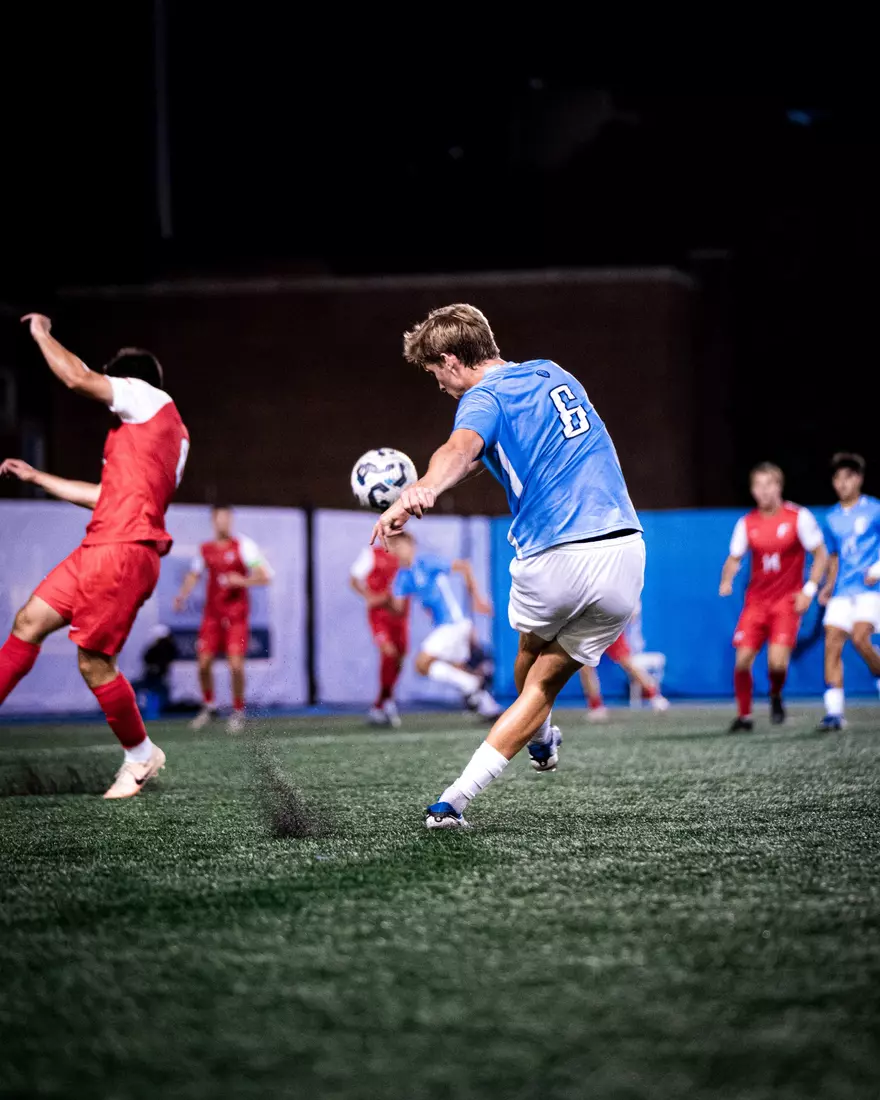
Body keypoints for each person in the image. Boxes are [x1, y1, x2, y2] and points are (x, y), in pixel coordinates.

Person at [371, 303, 644, 829]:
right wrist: (431, 482)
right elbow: (489, 455)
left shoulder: (481, 397)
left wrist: (423, 488)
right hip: (624, 554)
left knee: (532, 677)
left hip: (555, 555)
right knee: (543, 677)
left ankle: (465, 790)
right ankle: (522, 750)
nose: (440, 386)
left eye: (435, 374)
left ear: (451, 361)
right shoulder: (553, 372)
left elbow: (459, 448)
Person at [0, 314, 189, 799]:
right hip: (101, 544)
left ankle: (141, 754)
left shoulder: (148, 399)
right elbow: (105, 494)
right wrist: (39, 478)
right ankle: (141, 753)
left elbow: (76, 377)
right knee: (29, 622)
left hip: (123, 552)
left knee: (94, 662)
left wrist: (41, 333)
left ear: (128, 378)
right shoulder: (155, 434)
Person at [719, 462, 826, 731]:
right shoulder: (747, 523)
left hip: (786, 603)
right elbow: (734, 558)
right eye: (758, 485)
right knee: (742, 661)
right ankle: (745, 717)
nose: (764, 491)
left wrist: (809, 591)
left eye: (769, 484)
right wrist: (727, 580)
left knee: (777, 664)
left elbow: (821, 555)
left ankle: (776, 695)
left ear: (779, 486)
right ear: (752, 490)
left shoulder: (798, 517)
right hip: (756, 602)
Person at [173, 505, 272, 733]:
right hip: (212, 617)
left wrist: (242, 581)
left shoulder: (244, 546)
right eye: (220, 519)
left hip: (236, 617)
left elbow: (265, 576)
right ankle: (209, 706)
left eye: (227, 519)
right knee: (203, 663)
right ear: (213, 521)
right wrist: (182, 595)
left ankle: (238, 710)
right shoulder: (205, 549)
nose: (224, 523)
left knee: (235, 665)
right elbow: (194, 574)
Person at [388, 535, 501, 720]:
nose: (397, 550)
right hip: (445, 627)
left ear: (411, 545)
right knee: (458, 667)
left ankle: (471, 685)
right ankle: (489, 707)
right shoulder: (402, 577)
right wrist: (378, 598)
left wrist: (477, 599)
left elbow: (464, 566)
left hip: (453, 624)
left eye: (401, 545)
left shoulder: (426, 563)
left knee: (422, 664)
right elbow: (397, 608)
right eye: (393, 547)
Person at [817, 453, 880, 731]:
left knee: (861, 638)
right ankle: (834, 713)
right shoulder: (830, 518)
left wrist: (878, 568)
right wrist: (828, 586)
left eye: (848, 477)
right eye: (838, 478)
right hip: (842, 589)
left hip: (870, 589)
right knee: (832, 642)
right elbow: (834, 557)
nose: (842, 483)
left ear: (859, 479)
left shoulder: (875, 509)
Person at [349, 532, 412, 728]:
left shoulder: (405, 557)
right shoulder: (371, 554)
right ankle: (387, 703)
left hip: (400, 617)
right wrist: (369, 596)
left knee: (399, 658)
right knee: (389, 654)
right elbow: (354, 579)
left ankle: (381, 704)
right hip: (380, 616)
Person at [580, 603, 669, 720]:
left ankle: (655, 696)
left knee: (626, 663)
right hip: (589, 628)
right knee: (584, 666)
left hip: (609, 626)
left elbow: (631, 611)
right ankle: (596, 706)